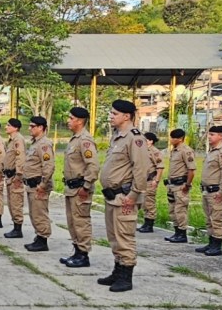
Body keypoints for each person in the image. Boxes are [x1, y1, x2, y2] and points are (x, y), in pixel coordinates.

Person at [97, 99, 149, 292]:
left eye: (114, 113)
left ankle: (126, 277)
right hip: (113, 197)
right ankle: (118, 271)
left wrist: (134, 195)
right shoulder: (117, 136)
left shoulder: (135, 138)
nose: (110, 116)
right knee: (114, 237)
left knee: (124, 237)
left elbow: (141, 168)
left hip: (125, 197)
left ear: (126, 116)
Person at [60, 107, 98, 267]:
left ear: (80, 121)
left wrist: (86, 186)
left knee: (81, 222)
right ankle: (77, 251)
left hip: (80, 189)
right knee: (72, 221)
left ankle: (83, 255)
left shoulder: (85, 140)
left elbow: (93, 166)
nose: (68, 121)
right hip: (71, 188)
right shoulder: (74, 139)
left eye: (71, 118)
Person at [196, 125, 222, 257]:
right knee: (209, 219)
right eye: (209, 134)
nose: (209, 136)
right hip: (208, 190)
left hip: (217, 191)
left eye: (212, 134)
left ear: (221, 136)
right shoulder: (212, 151)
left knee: (217, 219)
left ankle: (217, 246)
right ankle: (211, 242)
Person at [22, 115, 55, 252]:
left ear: (41, 127)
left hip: (39, 185)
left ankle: (43, 239)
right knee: (34, 213)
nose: (29, 128)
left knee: (39, 213)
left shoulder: (44, 144)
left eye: (32, 126)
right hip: (32, 185)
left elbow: (49, 166)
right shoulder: (35, 143)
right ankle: (39, 236)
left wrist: (43, 184)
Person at [164, 128, 196, 243]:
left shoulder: (186, 151)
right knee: (172, 210)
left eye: (174, 138)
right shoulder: (174, 150)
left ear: (180, 139)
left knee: (180, 210)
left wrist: (187, 185)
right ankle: (177, 232)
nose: (171, 140)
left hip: (180, 185)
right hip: (172, 185)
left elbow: (191, 170)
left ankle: (182, 234)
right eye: (171, 137)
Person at [2, 118, 26, 239]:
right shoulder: (11, 140)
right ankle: (15, 227)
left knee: (16, 203)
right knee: (12, 203)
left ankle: (18, 229)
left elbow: (20, 158)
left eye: (8, 125)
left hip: (15, 176)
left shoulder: (18, 140)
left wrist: (19, 175)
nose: (6, 127)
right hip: (9, 176)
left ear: (15, 128)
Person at [137, 133, 164, 233]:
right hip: (142, 181)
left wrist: (156, 180)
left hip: (150, 180)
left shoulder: (154, 152)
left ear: (151, 141)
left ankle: (149, 224)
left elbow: (160, 167)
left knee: (149, 203)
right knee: (144, 203)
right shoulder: (142, 150)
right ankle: (145, 223)